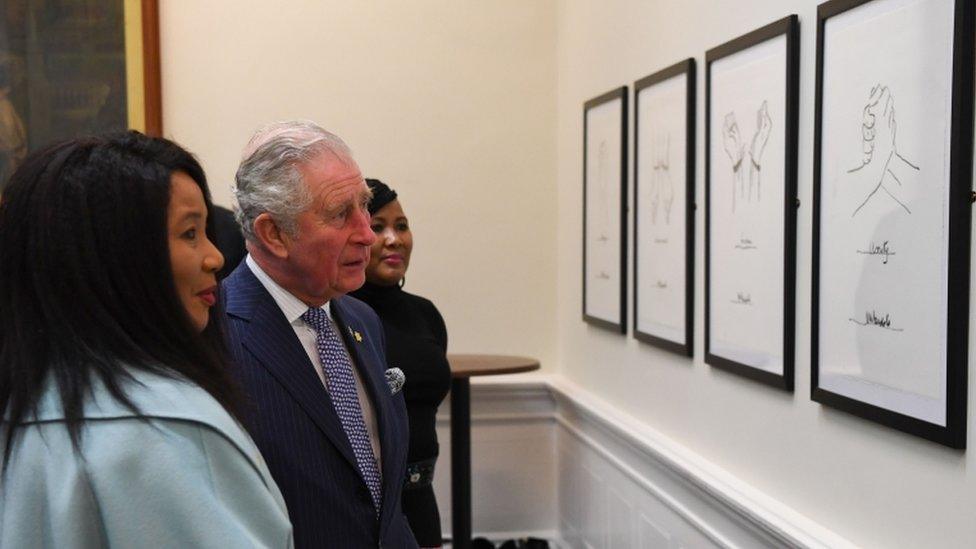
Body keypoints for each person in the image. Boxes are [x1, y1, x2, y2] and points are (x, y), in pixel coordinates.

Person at [0, 132, 293, 548]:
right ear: (116, 256)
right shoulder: (169, 433)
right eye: (189, 233)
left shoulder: (23, 408)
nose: (215, 257)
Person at [222, 120, 417, 548]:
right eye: (339, 214)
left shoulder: (361, 319)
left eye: (362, 205)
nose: (367, 233)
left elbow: (381, 498)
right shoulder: (214, 334)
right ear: (273, 234)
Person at [351, 179, 451, 548]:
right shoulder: (340, 316)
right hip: (368, 506)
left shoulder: (426, 314)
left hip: (422, 496)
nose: (394, 239)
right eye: (378, 227)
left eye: (402, 225)